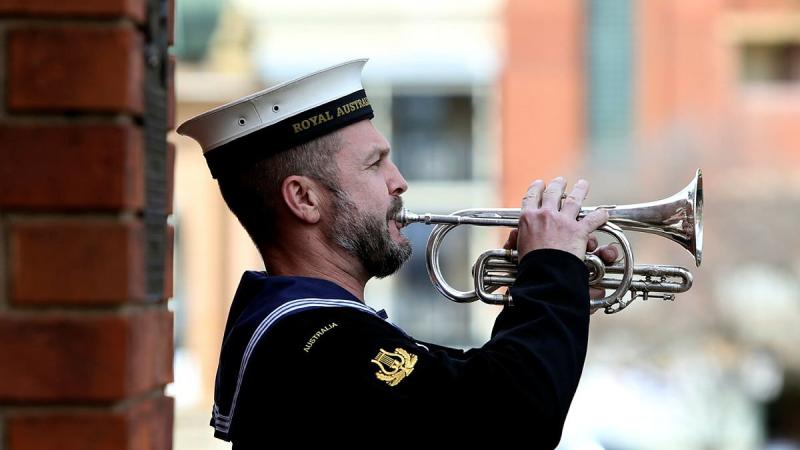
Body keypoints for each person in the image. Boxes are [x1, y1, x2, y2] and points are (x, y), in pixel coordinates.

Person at [177, 59, 616, 448]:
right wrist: (552, 273)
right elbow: (512, 420)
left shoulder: (312, 331)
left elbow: (472, 389)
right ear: (304, 199)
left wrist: (544, 288)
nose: (399, 181)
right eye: (375, 164)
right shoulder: (320, 341)